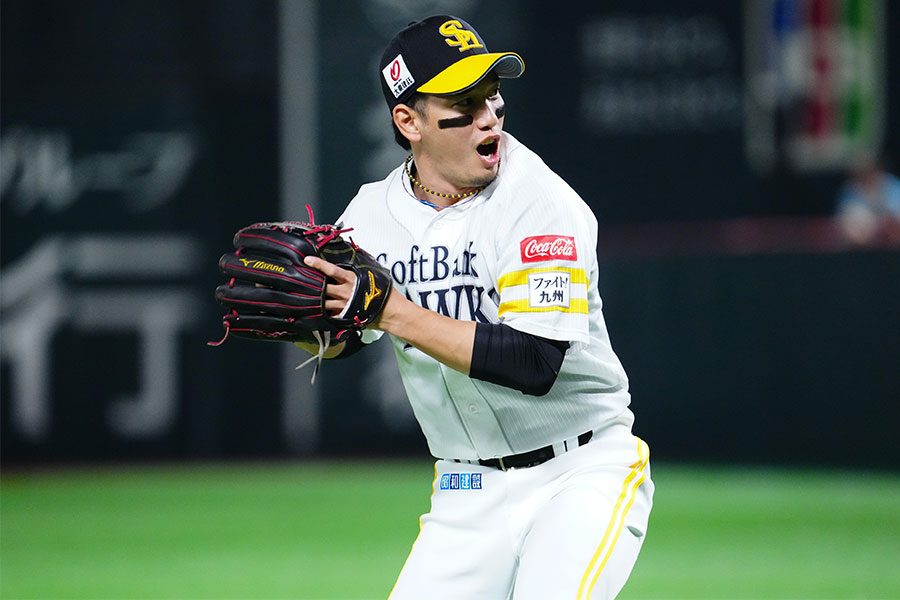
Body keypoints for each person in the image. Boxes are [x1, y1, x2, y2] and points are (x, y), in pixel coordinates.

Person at [301, 15, 654, 599]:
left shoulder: (538, 201)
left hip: (579, 471)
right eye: (462, 105)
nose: (488, 117)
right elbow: (345, 337)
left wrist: (391, 311)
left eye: (491, 96)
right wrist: (308, 321)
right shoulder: (369, 215)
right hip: (464, 489)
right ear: (409, 121)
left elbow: (534, 362)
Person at [836, 154, 900, 246]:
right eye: (860, 169)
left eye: (867, 167)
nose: (864, 172)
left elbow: (896, 210)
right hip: (865, 240)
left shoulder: (892, 183)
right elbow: (845, 216)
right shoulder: (850, 188)